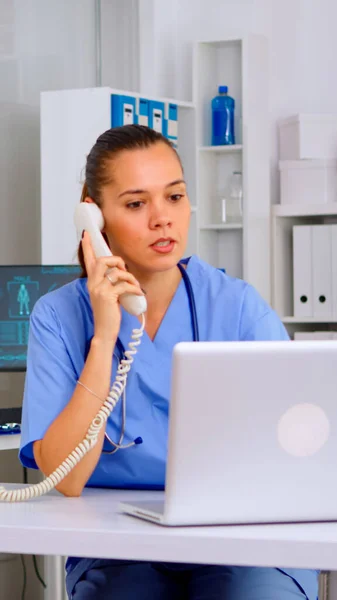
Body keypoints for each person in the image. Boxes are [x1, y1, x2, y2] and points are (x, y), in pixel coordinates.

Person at [19, 124, 318, 599]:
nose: (163, 219)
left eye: (174, 197)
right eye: (137, 204)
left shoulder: (237, 307)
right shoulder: (57, 317)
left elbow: (305, 445)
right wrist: (105, 336)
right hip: (116, 545)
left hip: (238, 539)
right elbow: (68, 479)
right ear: (92, 216)